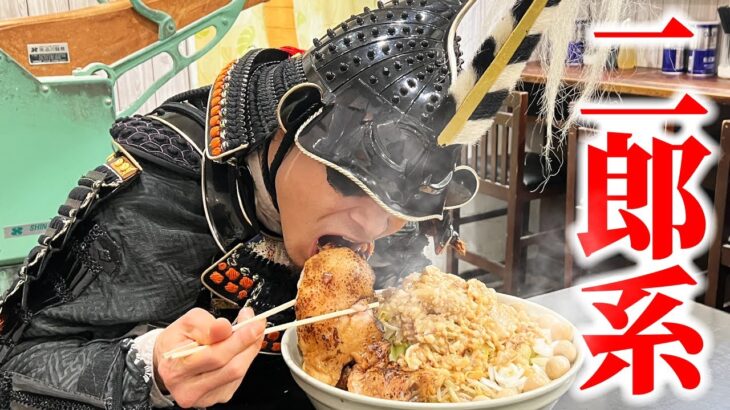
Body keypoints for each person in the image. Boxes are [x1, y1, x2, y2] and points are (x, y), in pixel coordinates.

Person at [0, 0, 569, 408]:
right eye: (353, 183)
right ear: (291, 126)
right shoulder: (157, 189)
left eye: (404, 204)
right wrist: (149, 371)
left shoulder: (386, 220)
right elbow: (13, 372)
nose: (375, 226)